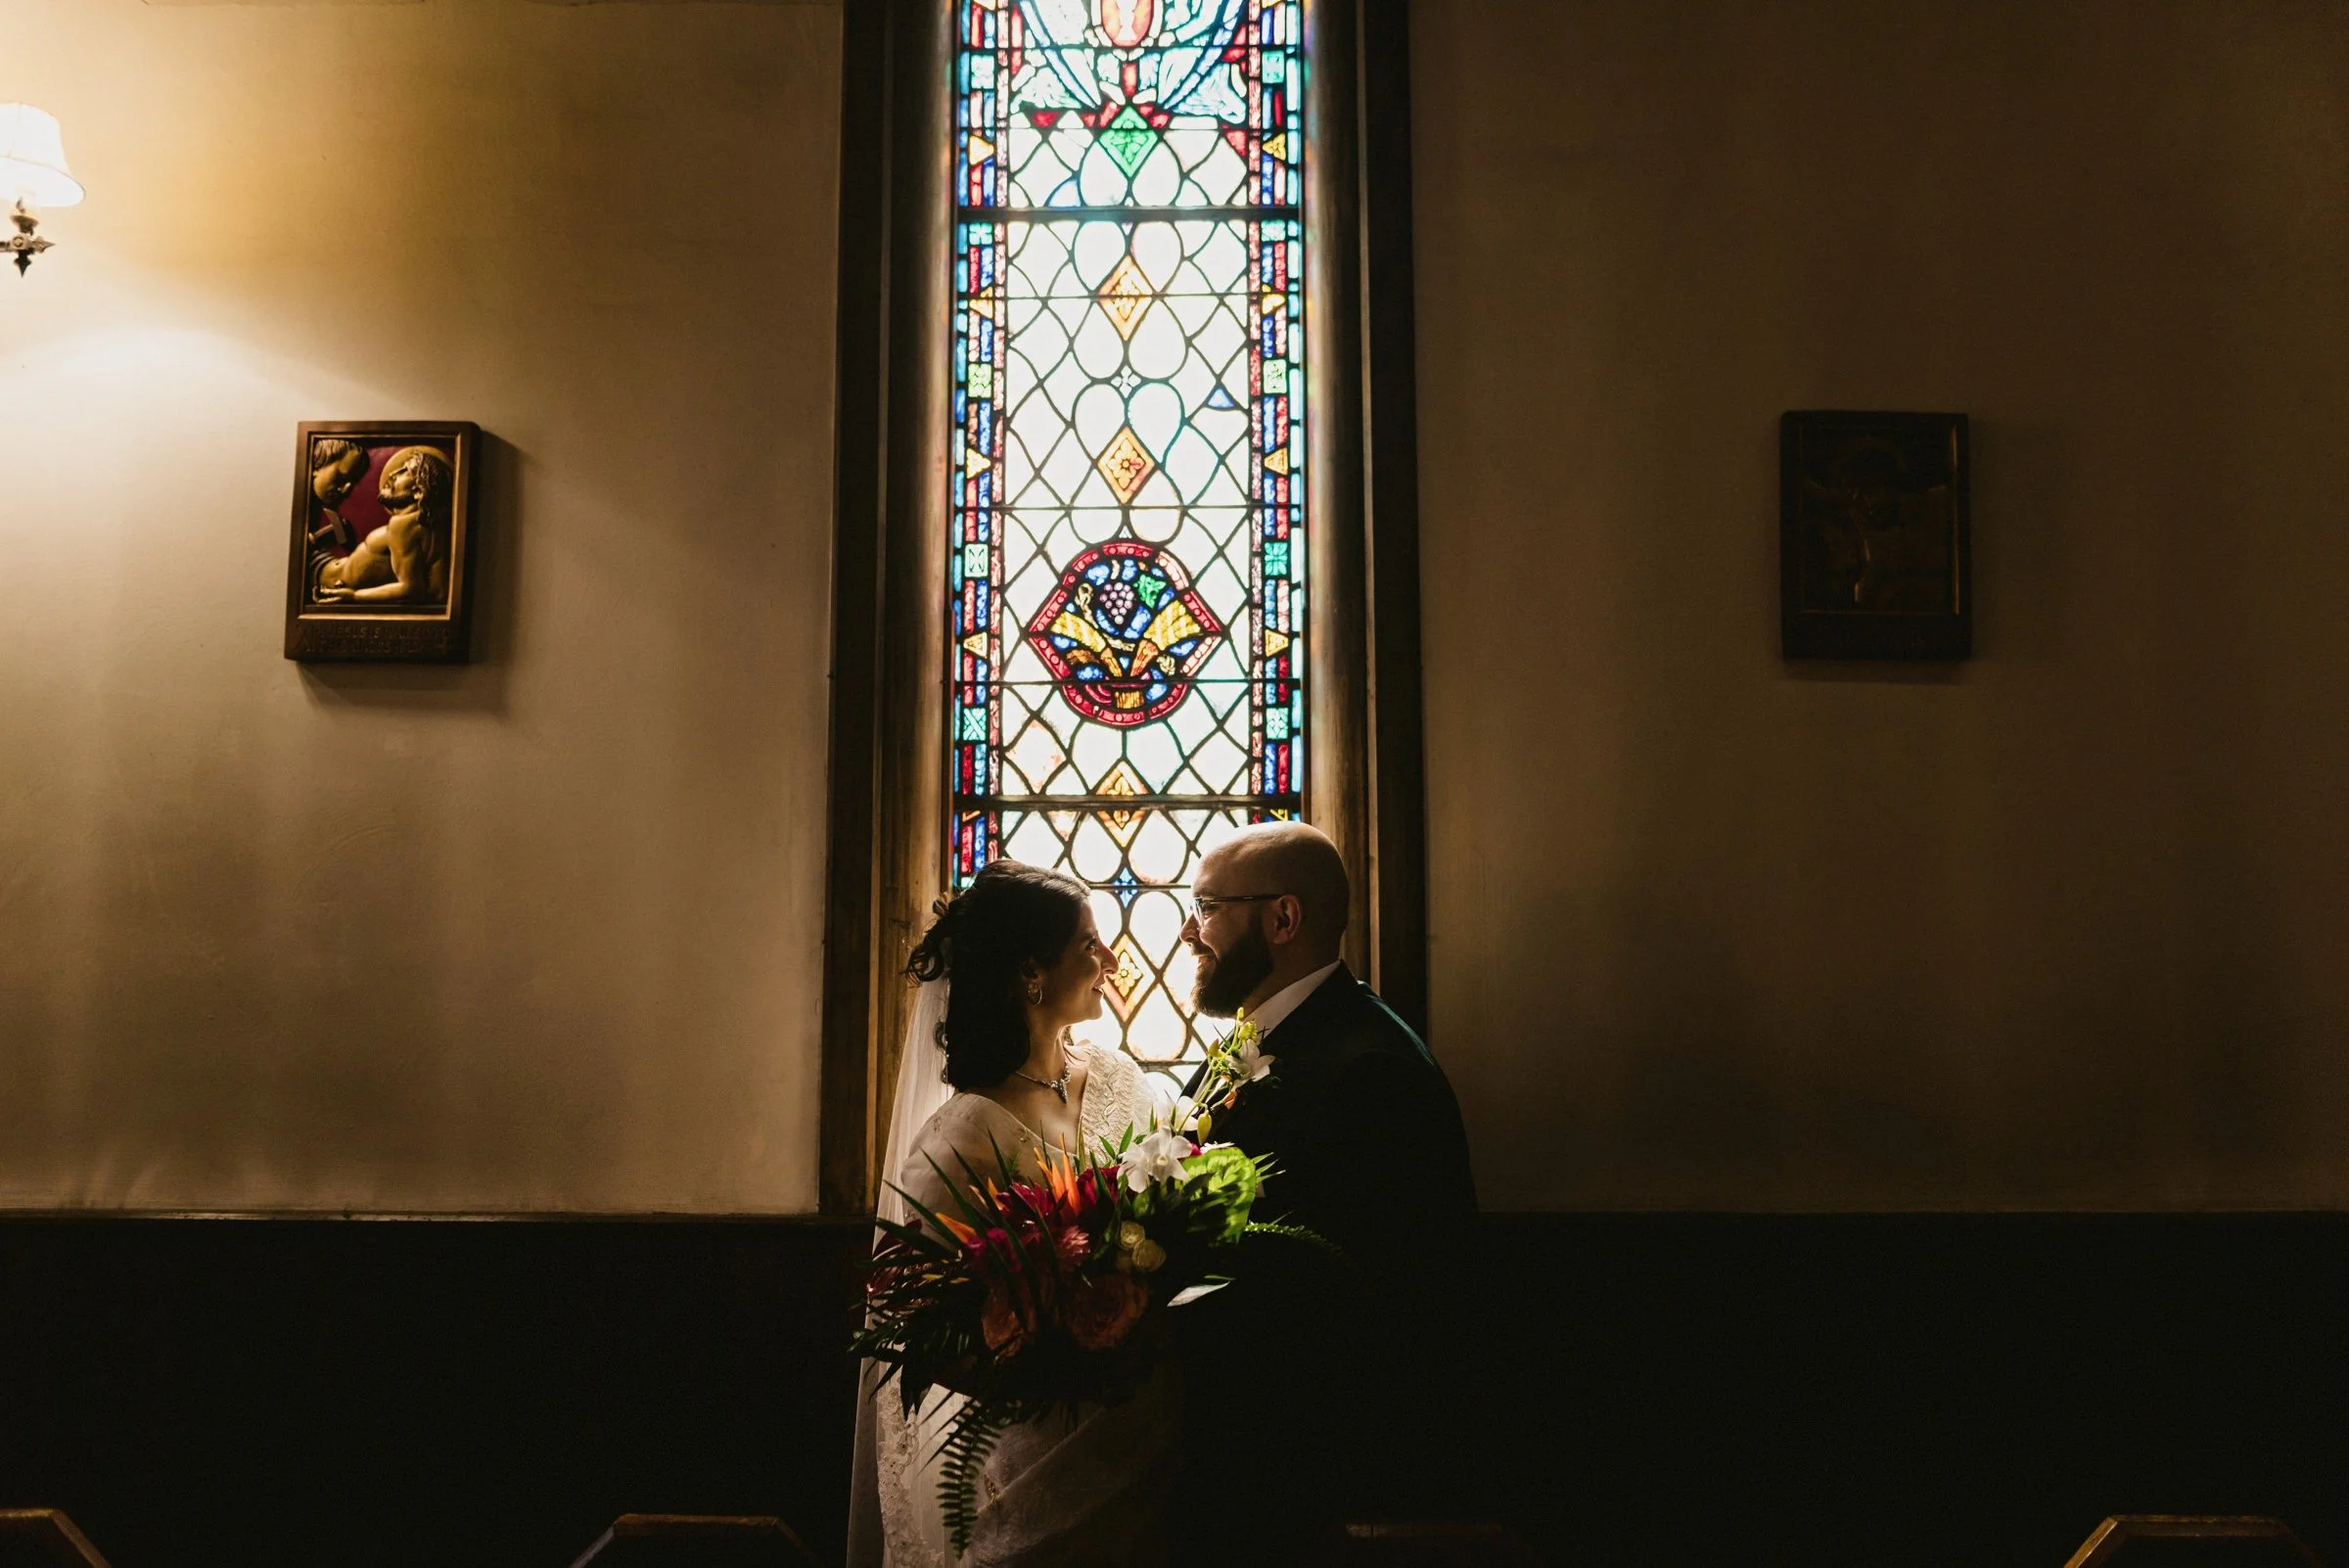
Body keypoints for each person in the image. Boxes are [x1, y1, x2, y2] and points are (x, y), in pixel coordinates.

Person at [846, 860, 1174, 1568]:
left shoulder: (1118, 1077)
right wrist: (1055, 1359)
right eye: (1089, 945)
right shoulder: (962, 1137)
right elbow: (921, 1331)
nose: (1111, 960)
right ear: (1032, 972)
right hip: (1032, 1456)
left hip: (1150, 1440)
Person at [1176, 820, 1478, 1560]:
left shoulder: (1372, 1069)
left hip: (1312, 1473)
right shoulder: (1265, 1039)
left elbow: (1381, 1300)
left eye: (1208, 905)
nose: (1189, 930)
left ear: (1283, 918)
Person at [313, 444, 454, 606]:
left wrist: (354, 597)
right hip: (324, 567)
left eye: (405, 471)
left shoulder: (402, 524)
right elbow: (438, 591)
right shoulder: (432, 527)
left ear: (418, 491)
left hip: (325, 579)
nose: (393, 474)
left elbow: (412, 589)